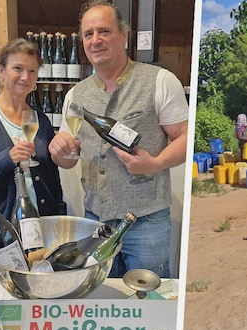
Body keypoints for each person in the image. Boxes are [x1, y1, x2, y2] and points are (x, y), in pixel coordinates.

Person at [48, 0, 189, 278]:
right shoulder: (75, 96)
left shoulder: (160, 81)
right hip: (95, 222)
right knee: (103, 299)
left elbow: (185, 137)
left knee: (150, 300)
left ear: (124, 36)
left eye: (104, 31)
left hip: (147, 222)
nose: (95, 40)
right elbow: (67, 159)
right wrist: (58, 151)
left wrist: (156, 163)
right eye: (88, 34)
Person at [0, 38, 66, 275]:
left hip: (42, 232)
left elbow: (52, 177)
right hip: (2, 233)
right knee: (3, 303)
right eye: (18, 68)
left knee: (40, 300)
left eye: (32, 71)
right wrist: (7, 158)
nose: (25, 77)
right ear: (1, 71)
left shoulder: (41, 120)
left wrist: (59, 219)